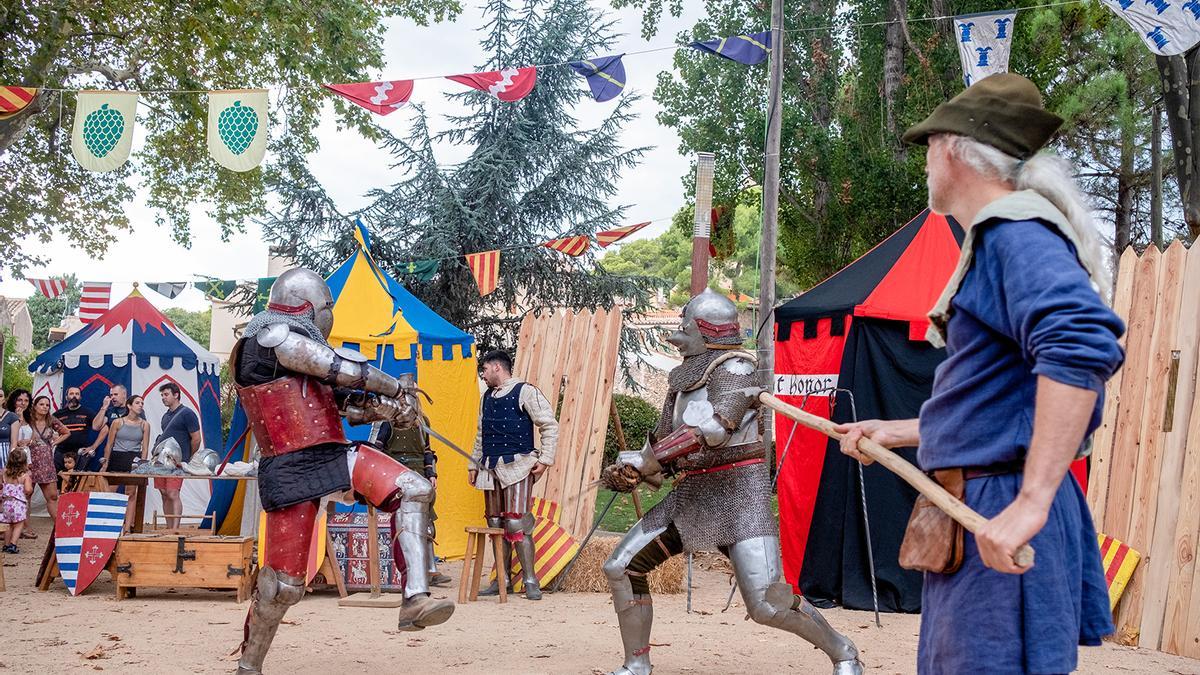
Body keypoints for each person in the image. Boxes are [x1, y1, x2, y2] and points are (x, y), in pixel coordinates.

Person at [834, 74, 1123, 674]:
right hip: (981, 504)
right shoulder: (1004, 237)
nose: (926, 160)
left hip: (1000, 506)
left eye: (929, 144)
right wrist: (898, 432)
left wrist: (1031, 504)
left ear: (954, 149)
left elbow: (1079, 342)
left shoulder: (1015, 234)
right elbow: (1005, 402)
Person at [599, 289, 863, 675]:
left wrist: (646, 460)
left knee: (768, 605)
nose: (678, 332)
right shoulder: (683, 378)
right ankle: (637, 664)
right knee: (621, 566)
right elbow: (666, 443)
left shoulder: (738, 369)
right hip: (692, 495)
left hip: (740, 496)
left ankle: (843, 651)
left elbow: (713, 430)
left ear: (705, 329)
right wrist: (638, 471)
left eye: (685, 324)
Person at [233, 268, 454, 675]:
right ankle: (249, 665)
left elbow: (342, 401)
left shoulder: (296, 353)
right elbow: (339, 367)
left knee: (414, 488)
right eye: (327, 308)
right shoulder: (270, 339)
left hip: (333, 456)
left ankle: (415, 599)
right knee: (283, 587)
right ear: (308, 307)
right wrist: (396, 389)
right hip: (290, 467)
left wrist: (393, 411)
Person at [469, 349, 558, 601]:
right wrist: (473, 465)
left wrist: (545, 459)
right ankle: (503, 580)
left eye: (485, 369)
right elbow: (480, 434)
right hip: (490, 467)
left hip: (518, 466)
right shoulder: (486, 397)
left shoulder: (525, 391)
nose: (483, 375)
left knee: (517, 523)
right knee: (495, 523)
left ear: (497, 367)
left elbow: (549, 424)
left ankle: (530, 580)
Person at [372, 419, 452, 587]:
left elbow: (427, 451)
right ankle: (411, 572)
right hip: (398, 475)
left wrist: (431, 473)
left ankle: (430, 570)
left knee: (427, 524)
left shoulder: (423, 422)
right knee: (406, 525)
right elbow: (377, 451)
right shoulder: (387, 422)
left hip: (420, 475)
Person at [14, 395, 69, 535]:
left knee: (52, 496)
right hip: (29, 461)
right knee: (26, 495)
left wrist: (54, 442)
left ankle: (61, 529)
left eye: (47, 405)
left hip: (46, 462)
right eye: (41, 404)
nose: (45, 407)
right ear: (35, 406)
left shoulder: (51, 420)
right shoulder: (28, 419)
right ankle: (25, 529)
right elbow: (17, 433)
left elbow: (66, 432)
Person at [154, 383, 201, 529]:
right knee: (164, 493)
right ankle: (169, 528)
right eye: (162, 395)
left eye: (166, 394)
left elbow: (196, 438)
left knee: (173, 493)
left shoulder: (187, 413)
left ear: (176, 395)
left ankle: (175, 529)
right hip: (162, 460)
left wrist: (187, 458)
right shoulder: (165, 416)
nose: (163, 398)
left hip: (177, 462)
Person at [53, 386, 102, 486]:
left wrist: (94, 446)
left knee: (78, 484)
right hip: (61, 453)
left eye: (77, 394)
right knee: (58, 482)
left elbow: (104, 428)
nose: (74, 396)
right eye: (71, 394)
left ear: (80, 397)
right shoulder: (58, 414)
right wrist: (53, 438)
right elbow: (45, 428)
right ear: (66, 397)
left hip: (80, 454)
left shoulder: (88, 412)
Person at [89, 384, 128, 472]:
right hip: (113, 452)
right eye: (111, 395)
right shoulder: (110, 411)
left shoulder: (132, 410)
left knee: (129, 479)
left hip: (130, 451)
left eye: (116, 394)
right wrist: (104, 407)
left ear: (124, 394)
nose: (113, 397)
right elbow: (95, 426)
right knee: (107, 478)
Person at [1, 448, 34, 554]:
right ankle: (13, 544)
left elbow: (1, 485)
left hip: (6, 503)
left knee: (8, 524)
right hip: (18, 504)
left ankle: (6, 545)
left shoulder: (4, 473)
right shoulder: (25, 476)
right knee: (19, 524)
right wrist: (28, 490)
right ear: (24, 462)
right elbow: (28, 489)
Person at [1, 388, 30, 468]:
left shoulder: (30, 417)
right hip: (12, 455)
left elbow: (35, 437)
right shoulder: (8, 416)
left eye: (26, 400)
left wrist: (30, 441)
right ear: (13, 401)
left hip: (26, 454)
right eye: (19, 400)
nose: (23, 403)